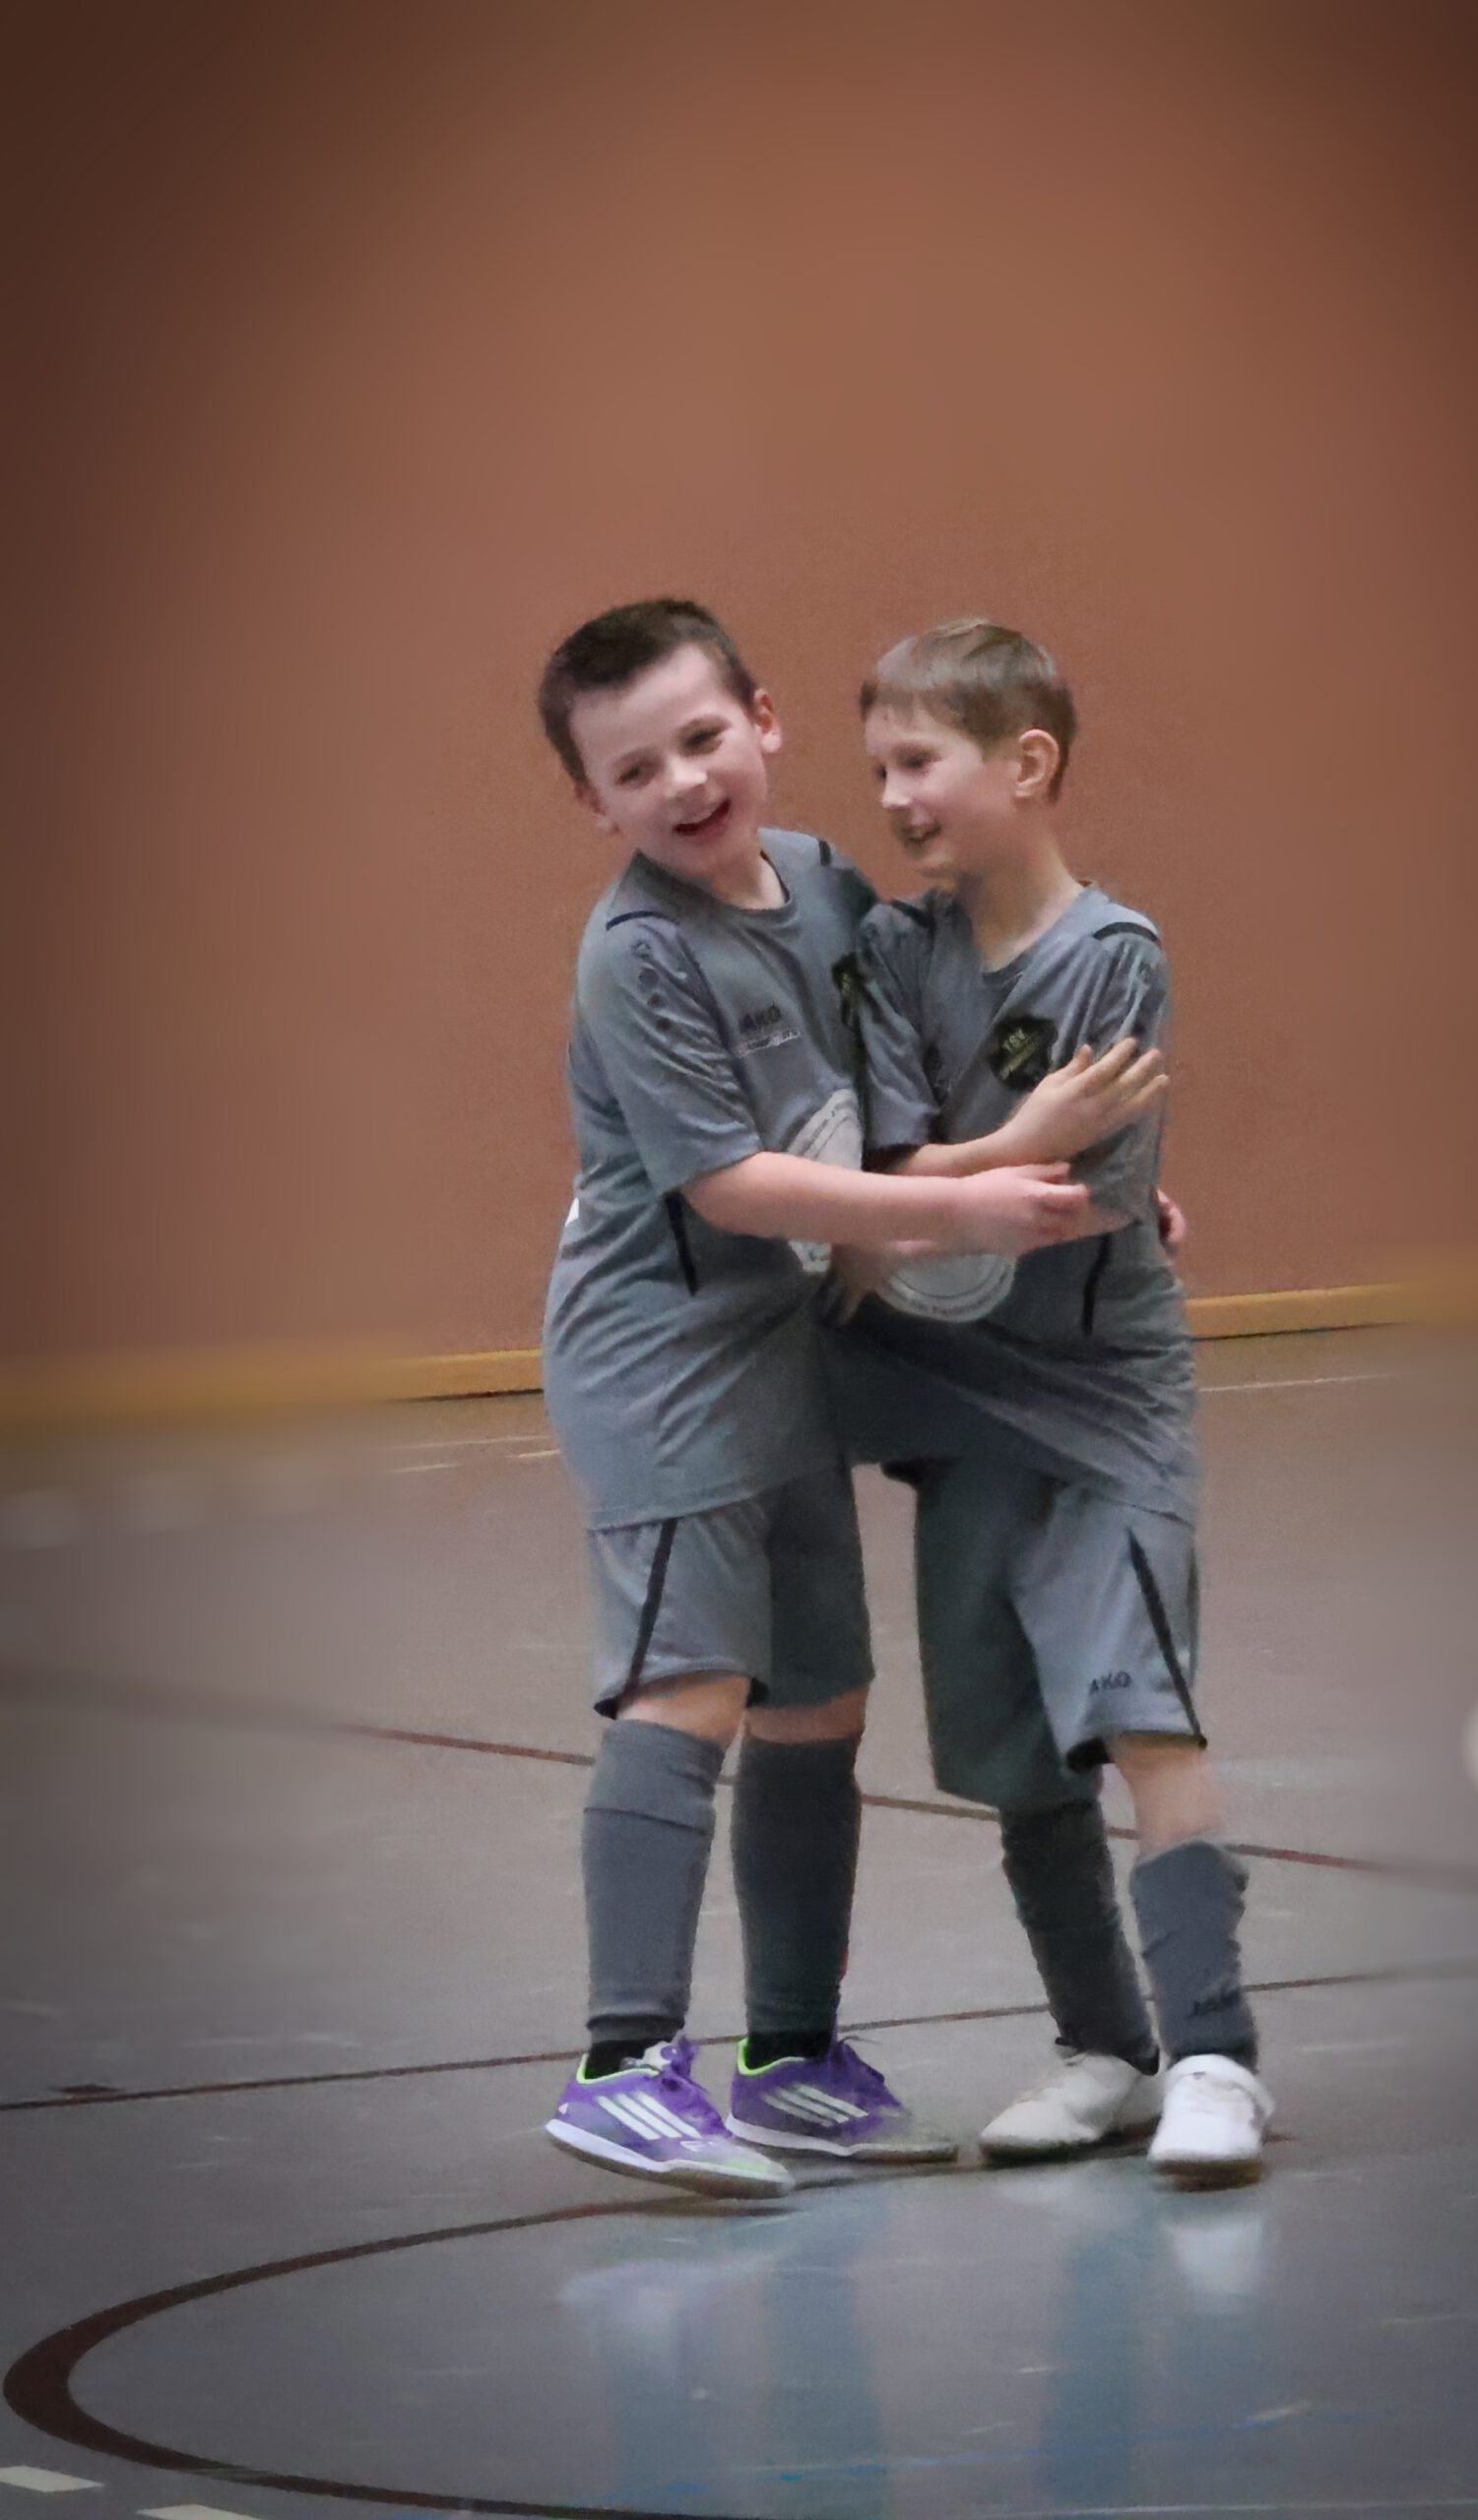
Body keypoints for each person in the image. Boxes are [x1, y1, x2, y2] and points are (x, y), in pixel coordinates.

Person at [533, 598, 1163, 2197]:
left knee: (816, 1700)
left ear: (762, 720)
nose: (683, 781)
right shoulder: (638, 956)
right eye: (635, 770)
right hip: (665, 1368)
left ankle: (790, 2056)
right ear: (592, 802)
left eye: (700, 738)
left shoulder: (823, 883)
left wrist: (1088, 1190)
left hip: (792, 1355)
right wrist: (973, 1201)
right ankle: (621, 2064)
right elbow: (740, 1187)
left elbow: (907, 1093)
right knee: (690, 1685)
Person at [838, 617, 1273, 2184]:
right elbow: (892, 1175)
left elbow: (1075, 1201)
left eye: (921, 762)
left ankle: (1214, 2055)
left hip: (1099, 1401)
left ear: (1028, 764)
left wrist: (949, 1194)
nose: (895, 798)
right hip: (957, 1404)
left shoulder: (1114, 956)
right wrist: (995, 1150)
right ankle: (1107, 2050)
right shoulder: (895, 953)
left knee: (1142, 1711)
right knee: (1015, 1753)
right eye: (878, 770)